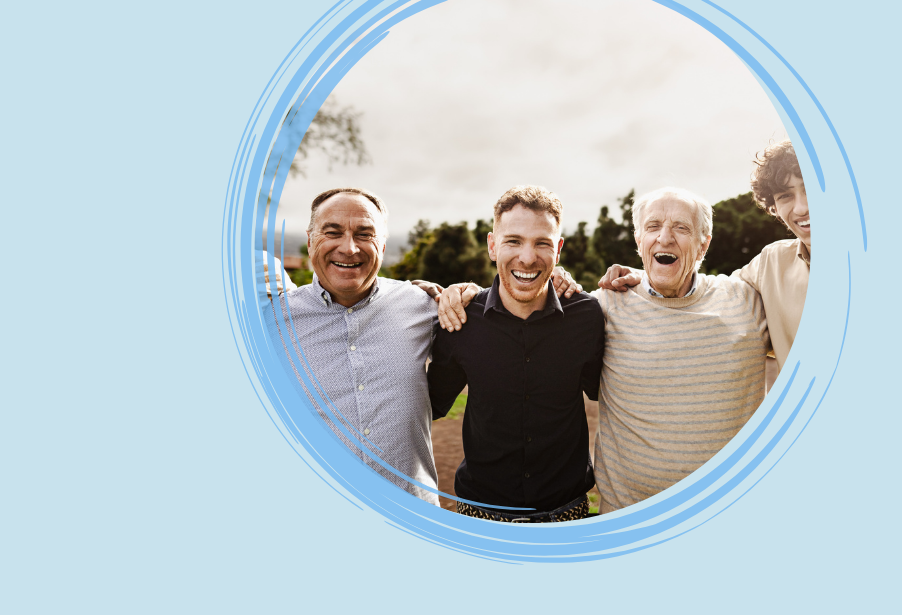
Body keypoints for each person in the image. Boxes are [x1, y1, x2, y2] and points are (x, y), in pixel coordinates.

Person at [269, 187, 575, 506]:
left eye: (364, 234)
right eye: (332, 232)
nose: (349, 248)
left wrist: (552, 277)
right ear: (309, 240)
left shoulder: (422, 304)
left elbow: (503, 301)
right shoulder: (269, 324)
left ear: (382, 245)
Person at [426, 186, 604, 522]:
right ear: (492, 246)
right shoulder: (460, 320)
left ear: (558, 249)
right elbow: (428, 404)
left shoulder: (587, 316)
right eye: (513, 241)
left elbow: (606, 391)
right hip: (480, 514)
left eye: (542, 243)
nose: (527, 257)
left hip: (567, 514)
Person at [590, 187, 769, 512]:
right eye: (653, 226)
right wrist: (469, 292)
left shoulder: (746, 301)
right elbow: (534, 308)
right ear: (638, 239)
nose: (665, 238)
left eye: (681, 228)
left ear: (704, 243)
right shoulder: (605, 304)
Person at [601, 140, 810, 389]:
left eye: (811, 188)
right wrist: (649, 276)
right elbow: (706, 290)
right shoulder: (772, 264)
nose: (801, 207)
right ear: (774, 206)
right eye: (785, 195)